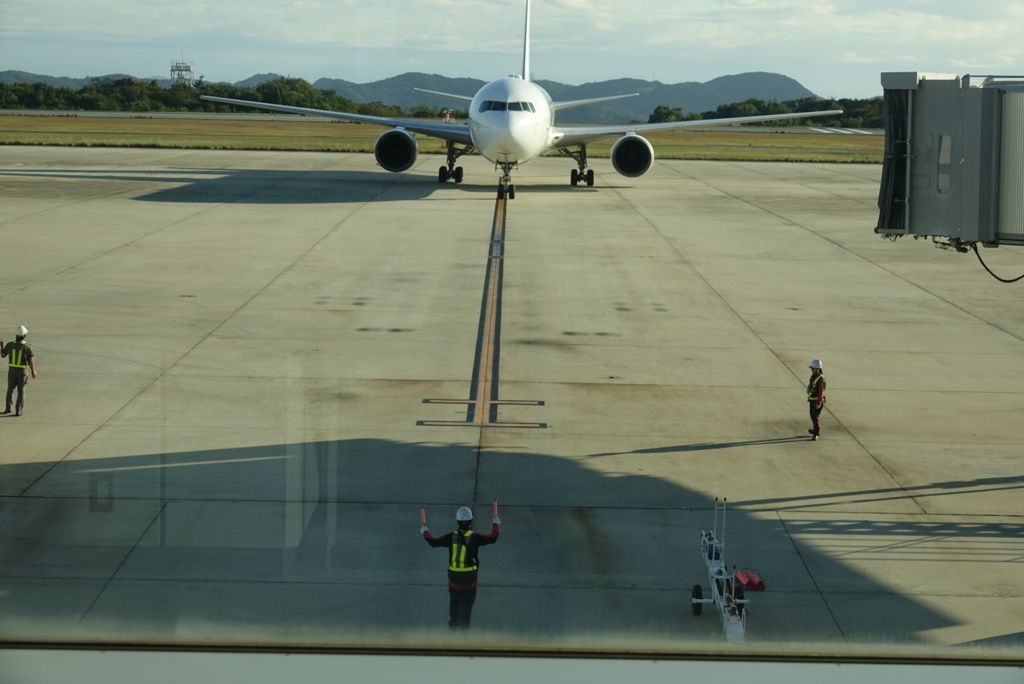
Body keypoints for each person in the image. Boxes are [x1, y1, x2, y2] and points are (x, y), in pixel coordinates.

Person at [422, 506, 500, 629]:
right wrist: (495, 523)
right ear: (471, 521)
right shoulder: (475, 537)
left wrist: (424, 531)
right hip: (470, 577)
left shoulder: (451, 536)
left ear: (457, 521)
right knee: (467, 606)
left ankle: (453, 626)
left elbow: (434, 542)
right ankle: (465, 630)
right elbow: (493, 538)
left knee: (454, 601)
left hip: (454, 577)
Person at [1, 325, 37, 417]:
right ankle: (18, 411)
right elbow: (31, 360)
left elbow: (3, 355)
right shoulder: (28, 347)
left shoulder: (10, 344)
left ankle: (8, 408)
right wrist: (33, 371)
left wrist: (1, 346)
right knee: (21, 391)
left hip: (12, 370)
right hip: (23, 371)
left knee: (10, 390)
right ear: (24, 335)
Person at [807, 359, 826, 440]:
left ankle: (816, 433)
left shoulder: (820, 378)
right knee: (812, 415)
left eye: (813, 368)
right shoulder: (813, 376)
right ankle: (815, 429)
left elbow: (821, 391)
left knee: (815, 416)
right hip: (812, 400)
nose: (811, 369)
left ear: (817, 369)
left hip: (817, 401)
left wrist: (818, 402)